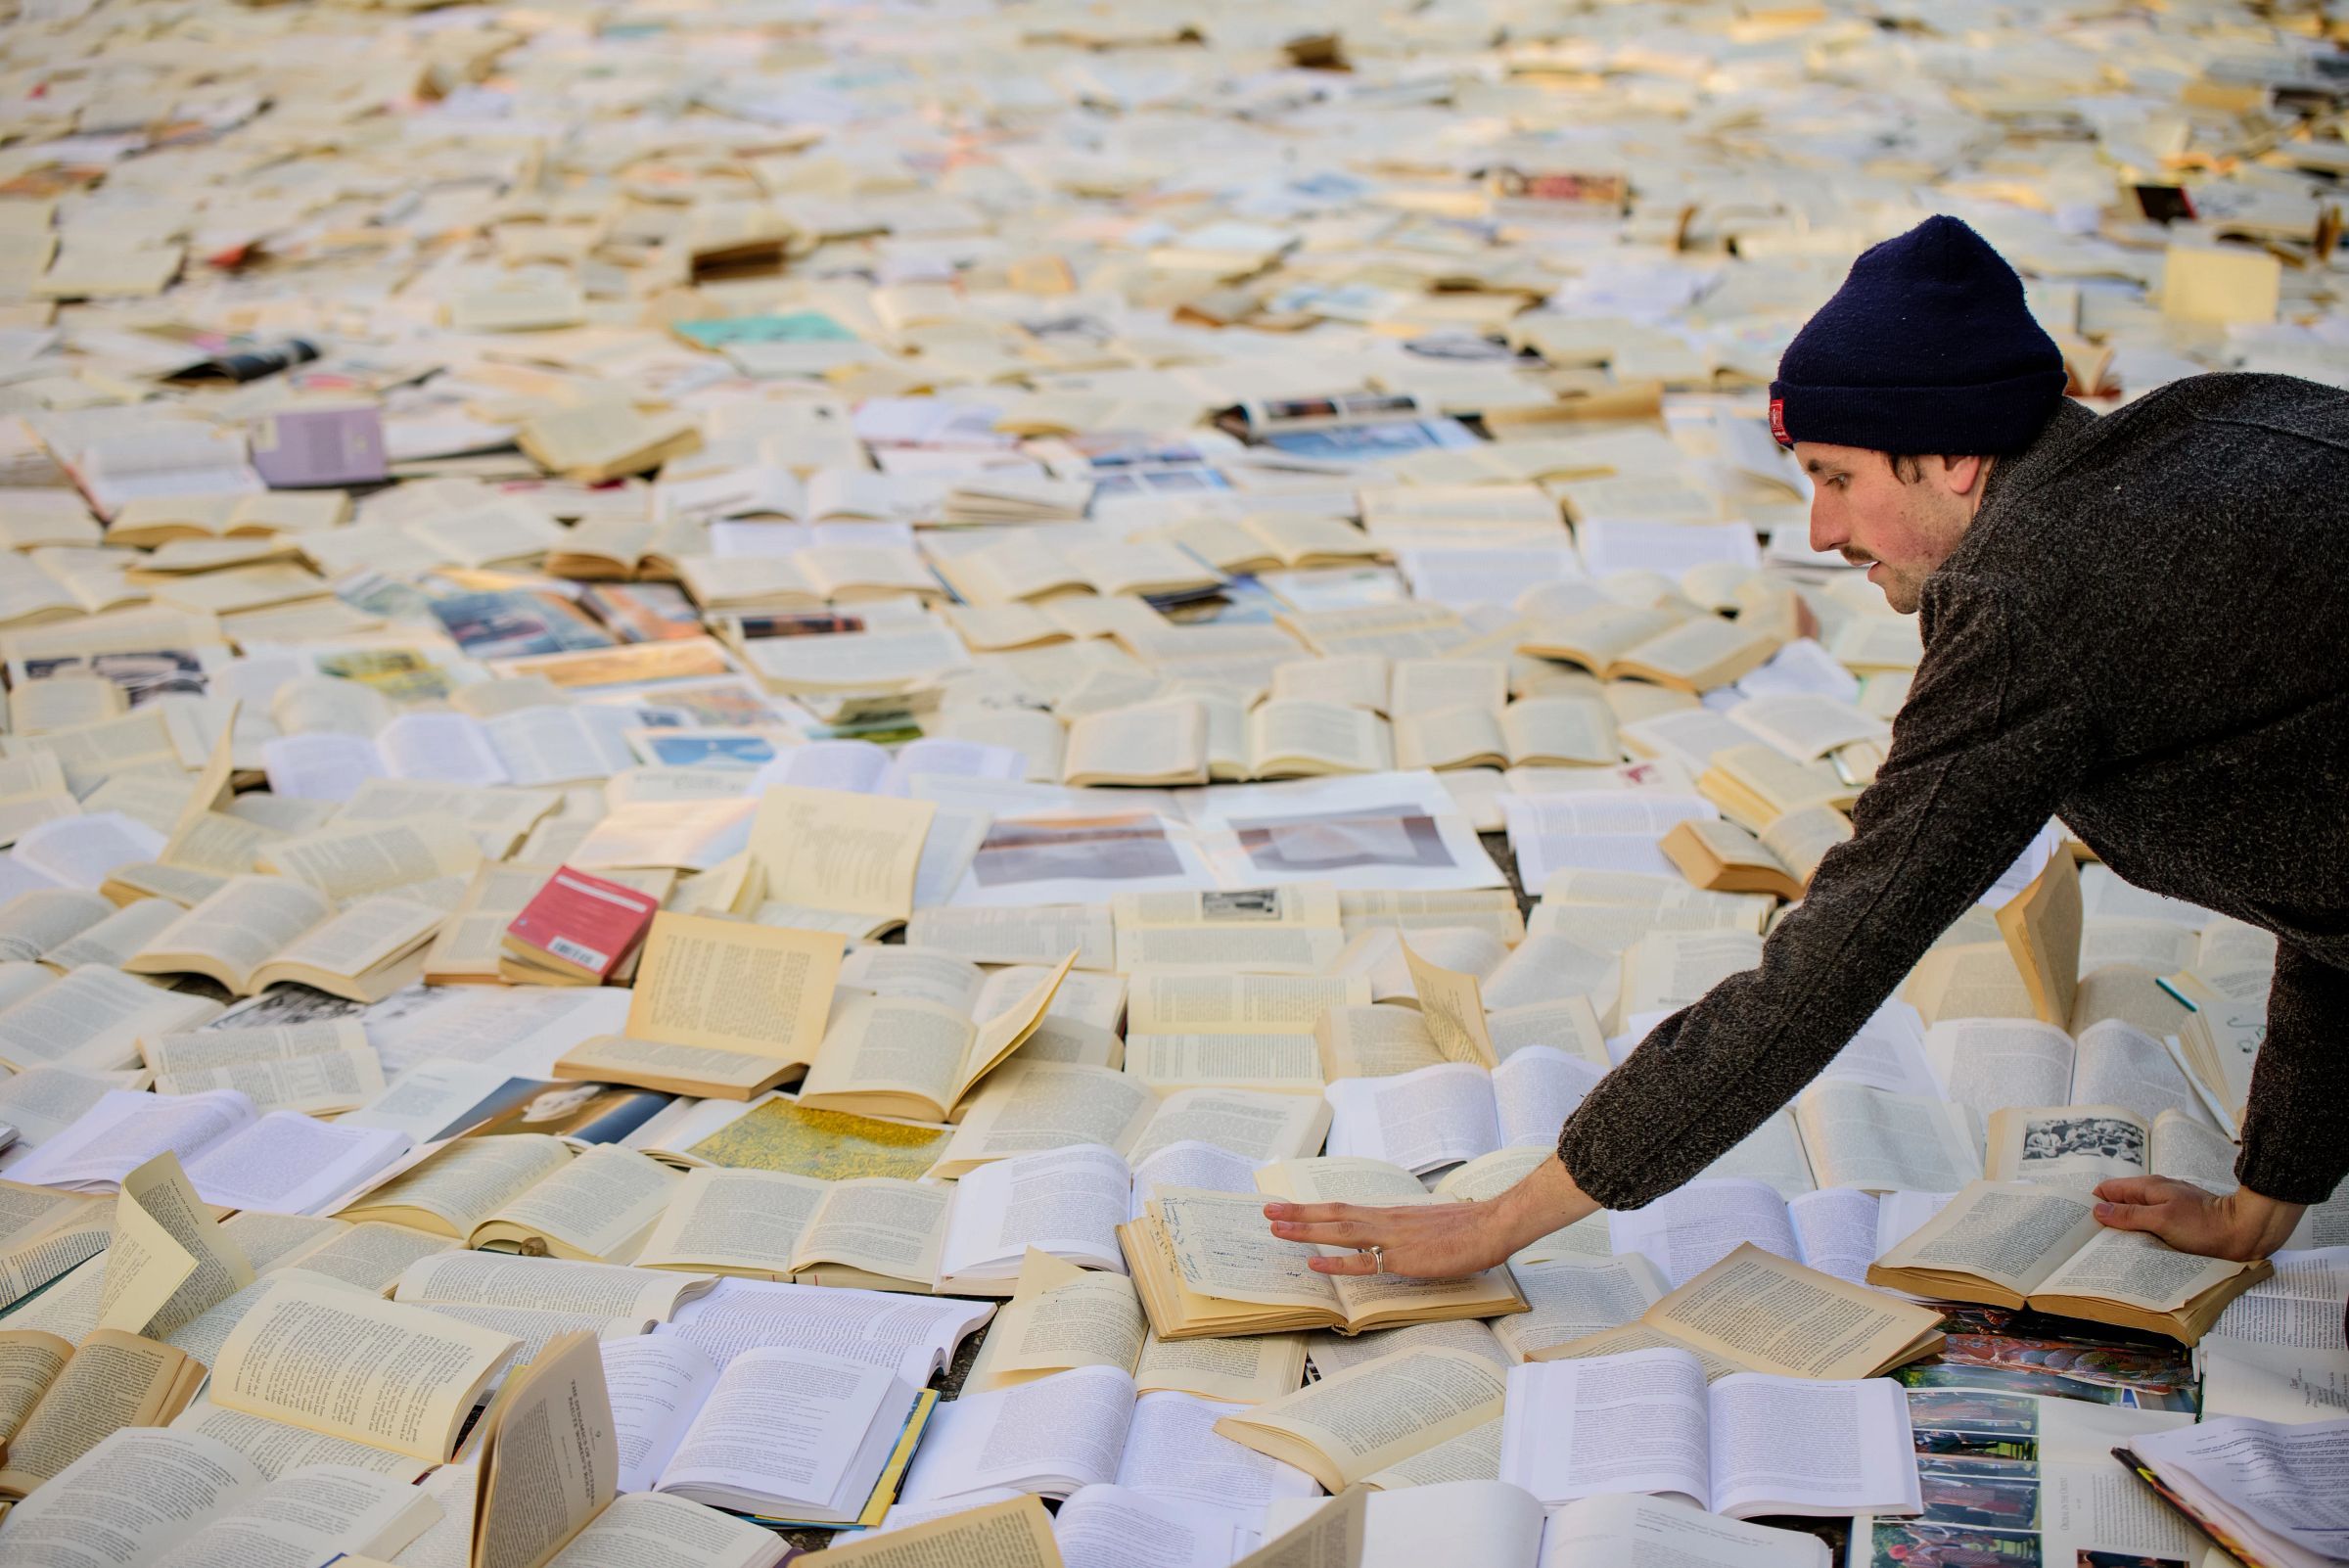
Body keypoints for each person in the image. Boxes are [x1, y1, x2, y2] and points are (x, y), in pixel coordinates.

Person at [1264, 214, 2349, 1281]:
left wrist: (1498, 1221)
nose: (1822, 534)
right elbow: (2319, 858)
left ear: (1957, 457)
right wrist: (2265, 1202)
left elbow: (1840, 950)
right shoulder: (2215, 423)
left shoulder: (2031, 601)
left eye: (1837, 477)